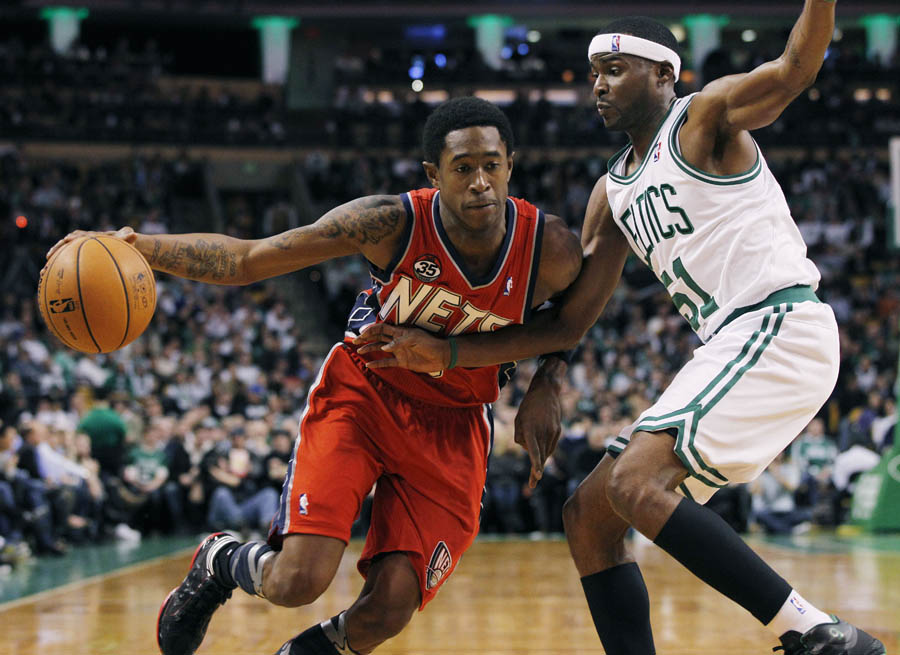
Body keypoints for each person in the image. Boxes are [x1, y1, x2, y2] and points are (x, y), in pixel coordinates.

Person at [353, 6, 885, 655]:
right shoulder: (613, 191)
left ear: (664, 73)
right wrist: (501, 365)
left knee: (636, 483)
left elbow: (795, 68)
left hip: (778, 322)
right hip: (730, 344)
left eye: (613, 69)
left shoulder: (702, 119)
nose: (597, 85)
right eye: (593, 73)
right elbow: (572, 318)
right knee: (590, 515)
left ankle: (815, 632)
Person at [46, 96, 582, 655]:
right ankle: (220, 560)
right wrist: (142, 247)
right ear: (433, 174)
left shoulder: (552, 249)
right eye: (463, 168)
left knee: (391, 606)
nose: (480, 183)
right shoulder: (388, 222)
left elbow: (576, 315)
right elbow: (252, 259)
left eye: (492, 166)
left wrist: (548, 380)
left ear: (511, 166)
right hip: (366, 395)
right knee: (297, 580)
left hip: (455, 422)